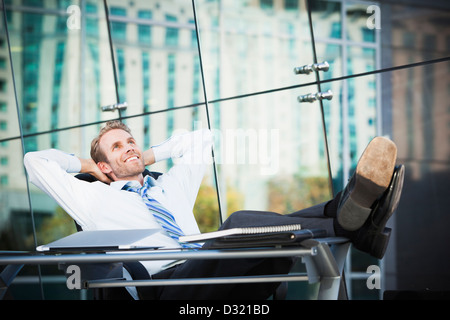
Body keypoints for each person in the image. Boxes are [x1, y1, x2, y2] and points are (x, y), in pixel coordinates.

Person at [23, 120, 404, 300]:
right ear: (104, 166)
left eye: (131, 141)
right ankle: (349, 216)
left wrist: (146, 155)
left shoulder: (170, 187)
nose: (129, 147)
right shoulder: (95, 200)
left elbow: (203, 137)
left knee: (254, 235)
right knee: (239, 224)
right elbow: (34, 163)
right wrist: (88, 167)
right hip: (165, 288)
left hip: (211, 267)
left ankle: (352, 218)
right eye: (118, 148)